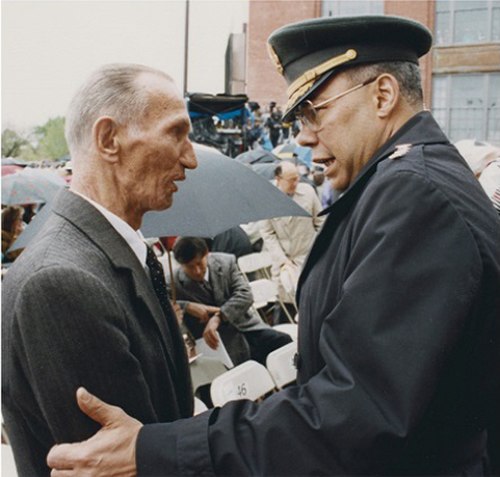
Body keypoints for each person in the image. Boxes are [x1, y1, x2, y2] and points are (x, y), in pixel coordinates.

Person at [47, 15, 500, 476]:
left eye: (313, 112)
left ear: (382, 96)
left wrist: (159, 450)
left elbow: (356, 414)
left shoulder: (415, 196)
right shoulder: (409, 183)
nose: (302, 138)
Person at [2, 63, 197, 476]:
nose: (190, 158)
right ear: (109, 139)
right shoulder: (63, 282)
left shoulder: (103, 257)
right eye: (176, 133)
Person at [171, 236, 291, 365]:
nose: (197, 271)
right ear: (181, 265)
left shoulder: (226, 261)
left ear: (207, 253)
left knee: (284, 345)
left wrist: (219, 316)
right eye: (190, 267)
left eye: (200, 263)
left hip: (246, 328)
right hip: (217, 345)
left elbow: (245, 294)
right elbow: (164, 306)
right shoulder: (173, 282)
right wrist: (187, 306)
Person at [259, 161, 324, 320]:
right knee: (287, 307)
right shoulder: (266, 197)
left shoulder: (308, 192)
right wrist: (282, 259)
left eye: (297, 178)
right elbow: (267, 233)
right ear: (278, 178)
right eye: (291, 180)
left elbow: (320, 222)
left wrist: (317, 250)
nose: (296, 183)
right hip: (283, 261)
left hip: (307, 255)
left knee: (311, 303)